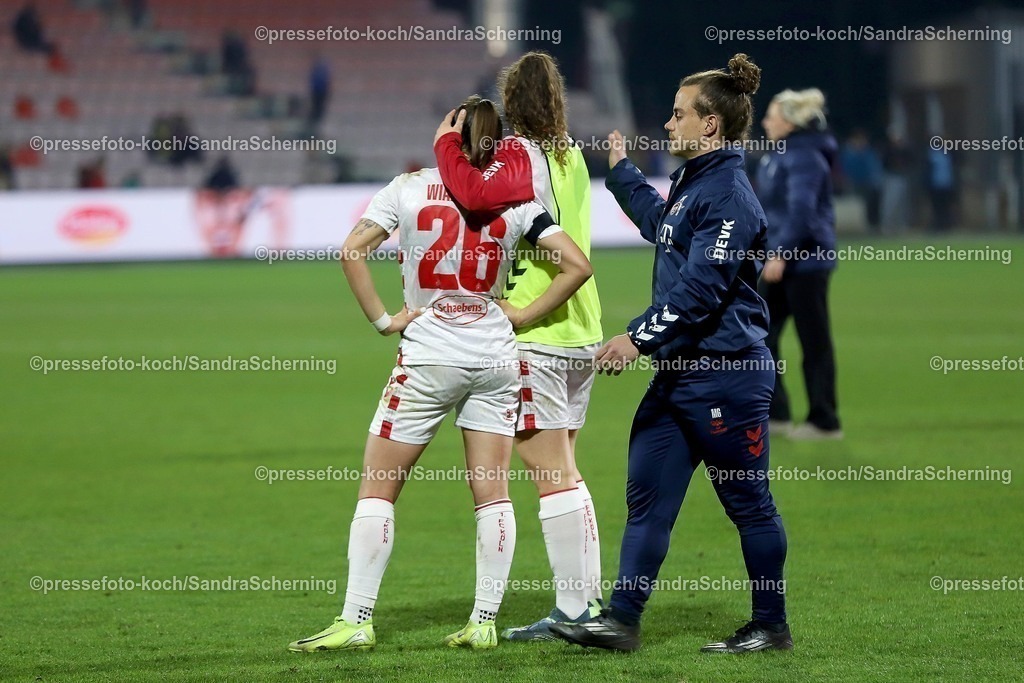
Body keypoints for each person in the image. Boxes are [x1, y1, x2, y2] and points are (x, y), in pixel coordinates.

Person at [288, 96, 594, 652]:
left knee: (378, 490)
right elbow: (578, 266)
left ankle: (356, 619)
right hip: (496, 359)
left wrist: (384, 320)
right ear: (497, 141)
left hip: (428, 355)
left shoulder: (407, 187)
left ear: (447, 133)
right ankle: (483, 622)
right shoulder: (516, 200)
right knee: (493, 496)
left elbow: (352, 251)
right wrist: (523, 313)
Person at [550, 54, 792, 654]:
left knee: (748, 504)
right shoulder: (696, 185)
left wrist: (635, 337)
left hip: (725, 377)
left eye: (680, 114)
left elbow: (702, 290)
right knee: (647, 498)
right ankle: (622, 621)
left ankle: (771, 625)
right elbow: (663, 227)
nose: (668, 123)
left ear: (710, 125)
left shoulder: (730, 193)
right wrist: (623, 174)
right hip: (681, 377)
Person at [432, 51, 604, 640]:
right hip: (582, 328)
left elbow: (474, 197)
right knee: (567, 471)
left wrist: (446, 146)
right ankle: (588, 603)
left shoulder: (517, 152)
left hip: (539, 330)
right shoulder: (572, 154)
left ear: (511, 103)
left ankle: (574, 612)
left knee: (548, 473)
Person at [758, 88, 842, 440]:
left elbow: (801, 212)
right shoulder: (778, 155)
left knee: (813, 341)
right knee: (761, 338)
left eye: (771, 115)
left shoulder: (804, 157)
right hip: (779, 260)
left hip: (805, 263)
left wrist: (780, 253)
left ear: (789, 122)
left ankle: (824, 421)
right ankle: (776, 415)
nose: (764, 121)